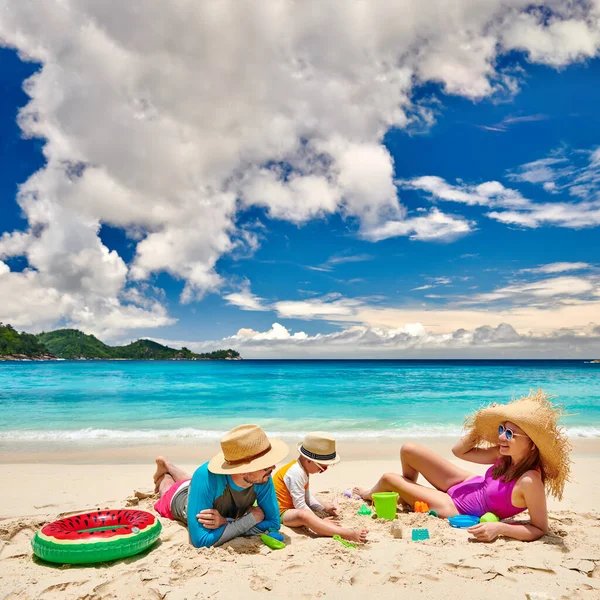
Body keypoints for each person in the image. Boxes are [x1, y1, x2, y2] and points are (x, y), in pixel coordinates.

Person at [354, 390, 571, 542]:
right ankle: (409, 493)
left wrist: (500, 528)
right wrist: (480, 425)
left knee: (388, 479)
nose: (502, 437)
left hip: (456, 507)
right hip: (468, 484)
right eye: (501, 429)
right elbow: (460, 451)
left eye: (510, 434)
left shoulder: (529, 480)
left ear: (532, 444)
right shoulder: (504, 455)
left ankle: (370, 494)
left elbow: (539, 528)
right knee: (409, 449)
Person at [153, 424, 289, 548]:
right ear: (242, 470)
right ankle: (165, 473)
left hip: (202, 489)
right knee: (168, 489)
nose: (273, 467)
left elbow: (273, 523)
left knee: (190, 482)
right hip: (181, 500)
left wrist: (227, 522)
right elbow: (200, 541)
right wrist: (250, 519)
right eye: (265, 465)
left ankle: (168, 466)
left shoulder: (262, 477)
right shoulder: (204, 477)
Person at [273, 432, 368, 544]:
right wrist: (319, 521)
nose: (323, 471)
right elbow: (300, 504)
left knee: (319, 505)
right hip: (280, 513)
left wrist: (324, 509)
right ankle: (347, 534)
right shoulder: (296, 473)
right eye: (322, 468)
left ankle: (325, 520)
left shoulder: (303, 470)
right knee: (304, 515)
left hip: (290, 507)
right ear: (309, 461)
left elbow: (307, 497)